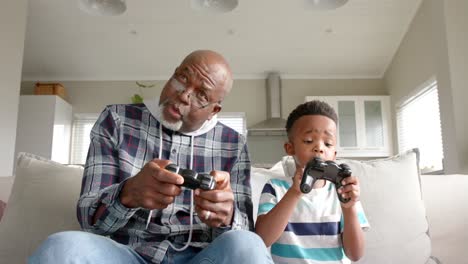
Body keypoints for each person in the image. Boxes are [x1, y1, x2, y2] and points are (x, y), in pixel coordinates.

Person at [29, 50, 272, 264]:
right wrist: (128, 194)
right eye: (183, 78)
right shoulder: (117, 120)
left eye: (201, 96)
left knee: (248, 245)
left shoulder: (233, 144)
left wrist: (226, 217)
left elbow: (243, 236)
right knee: (60, 247)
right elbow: (89, 221)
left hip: (202, 257)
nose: (184, 95)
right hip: (125, 254)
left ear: (214, 111)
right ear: (173, 74)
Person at [255, 100, 370, 264]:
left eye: (328, 143)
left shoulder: (344, 192)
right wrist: (294, 193)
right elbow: (262, 240)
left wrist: (349, 208)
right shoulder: (275, 188)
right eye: (309, 141)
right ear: (290, 148)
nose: (319, 148)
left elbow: (355, 254)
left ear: (334, 154)